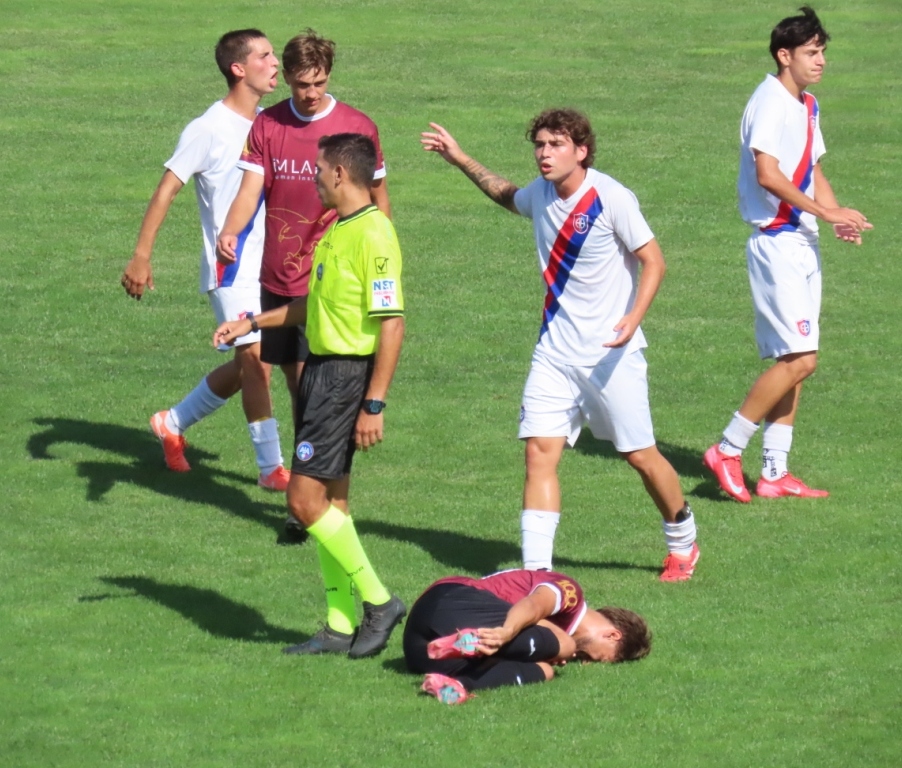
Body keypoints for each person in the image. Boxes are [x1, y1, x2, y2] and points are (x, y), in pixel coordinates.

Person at [421, 109, 699, 582]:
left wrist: (633, 318)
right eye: (540, 145)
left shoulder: (611, 198)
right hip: (554, 353)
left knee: (640, 456)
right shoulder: (541, 193)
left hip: (610, 356)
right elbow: (506, 195)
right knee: (539, 453)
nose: (544, 154)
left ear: (581, 151)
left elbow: (653, 260)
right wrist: (460, 158)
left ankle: (682, 540)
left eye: (556, 145)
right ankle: (537, 574)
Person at [214, 133, 406, 659]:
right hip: (321, 372)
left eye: (319, 170)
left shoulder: (374, 235)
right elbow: (312, 306)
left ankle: (380, 601)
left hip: (343, 378)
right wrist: (251, 323)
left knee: (302, 503)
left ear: (341, 173)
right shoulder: (336, 229)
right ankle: (339, 625)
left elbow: (392, 323)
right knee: (332, 504)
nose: (315, 179)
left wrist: (374, 403)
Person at [703, 6, 872, 503]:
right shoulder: (770, 102)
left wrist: (835, 215)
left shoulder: (807, 104)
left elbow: (812, 167)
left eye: (823, 52)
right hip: (777, 243)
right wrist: (823, 211)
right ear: (784, 55)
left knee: (795, 358)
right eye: (812, 52)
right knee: (801, 359)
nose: (821, 60)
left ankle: (774, 472)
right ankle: (727, 449)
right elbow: (768, 174)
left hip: (803, 241)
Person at [120, 29, 290, 491]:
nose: (275, 63)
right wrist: (141, 256)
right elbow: (166, 190)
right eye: (264, 56)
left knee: (250, 365)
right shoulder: (207, 128)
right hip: (231, 268)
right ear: (238, 68)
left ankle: (171, 423)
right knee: (257, 362)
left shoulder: (269, 123)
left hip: (273, 264)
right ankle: (271, 468)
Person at [217, 29, 390, 413]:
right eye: (302, 85)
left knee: (322, 381)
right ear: (287, 78)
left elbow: (379, 197)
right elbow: (249, 191)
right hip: (280, 273)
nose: (311, 93)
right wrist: (230, 230)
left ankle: (318, 449)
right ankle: (308, 448)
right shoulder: (268, 125)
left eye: (320, 83)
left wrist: (384, 257)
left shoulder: (357, 127)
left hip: (333, 272)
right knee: (297, 381)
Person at [404, 569, 651, 705]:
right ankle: (472, 641)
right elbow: (533, 605)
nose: (586, 661)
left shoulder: (551, 642)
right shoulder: (571, 593)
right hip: (450, 600)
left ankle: (457, 686)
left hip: (420, 651)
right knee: (564, 644)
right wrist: (508, 631)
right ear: (613, 635)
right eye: (599, 658)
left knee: (545, 671)